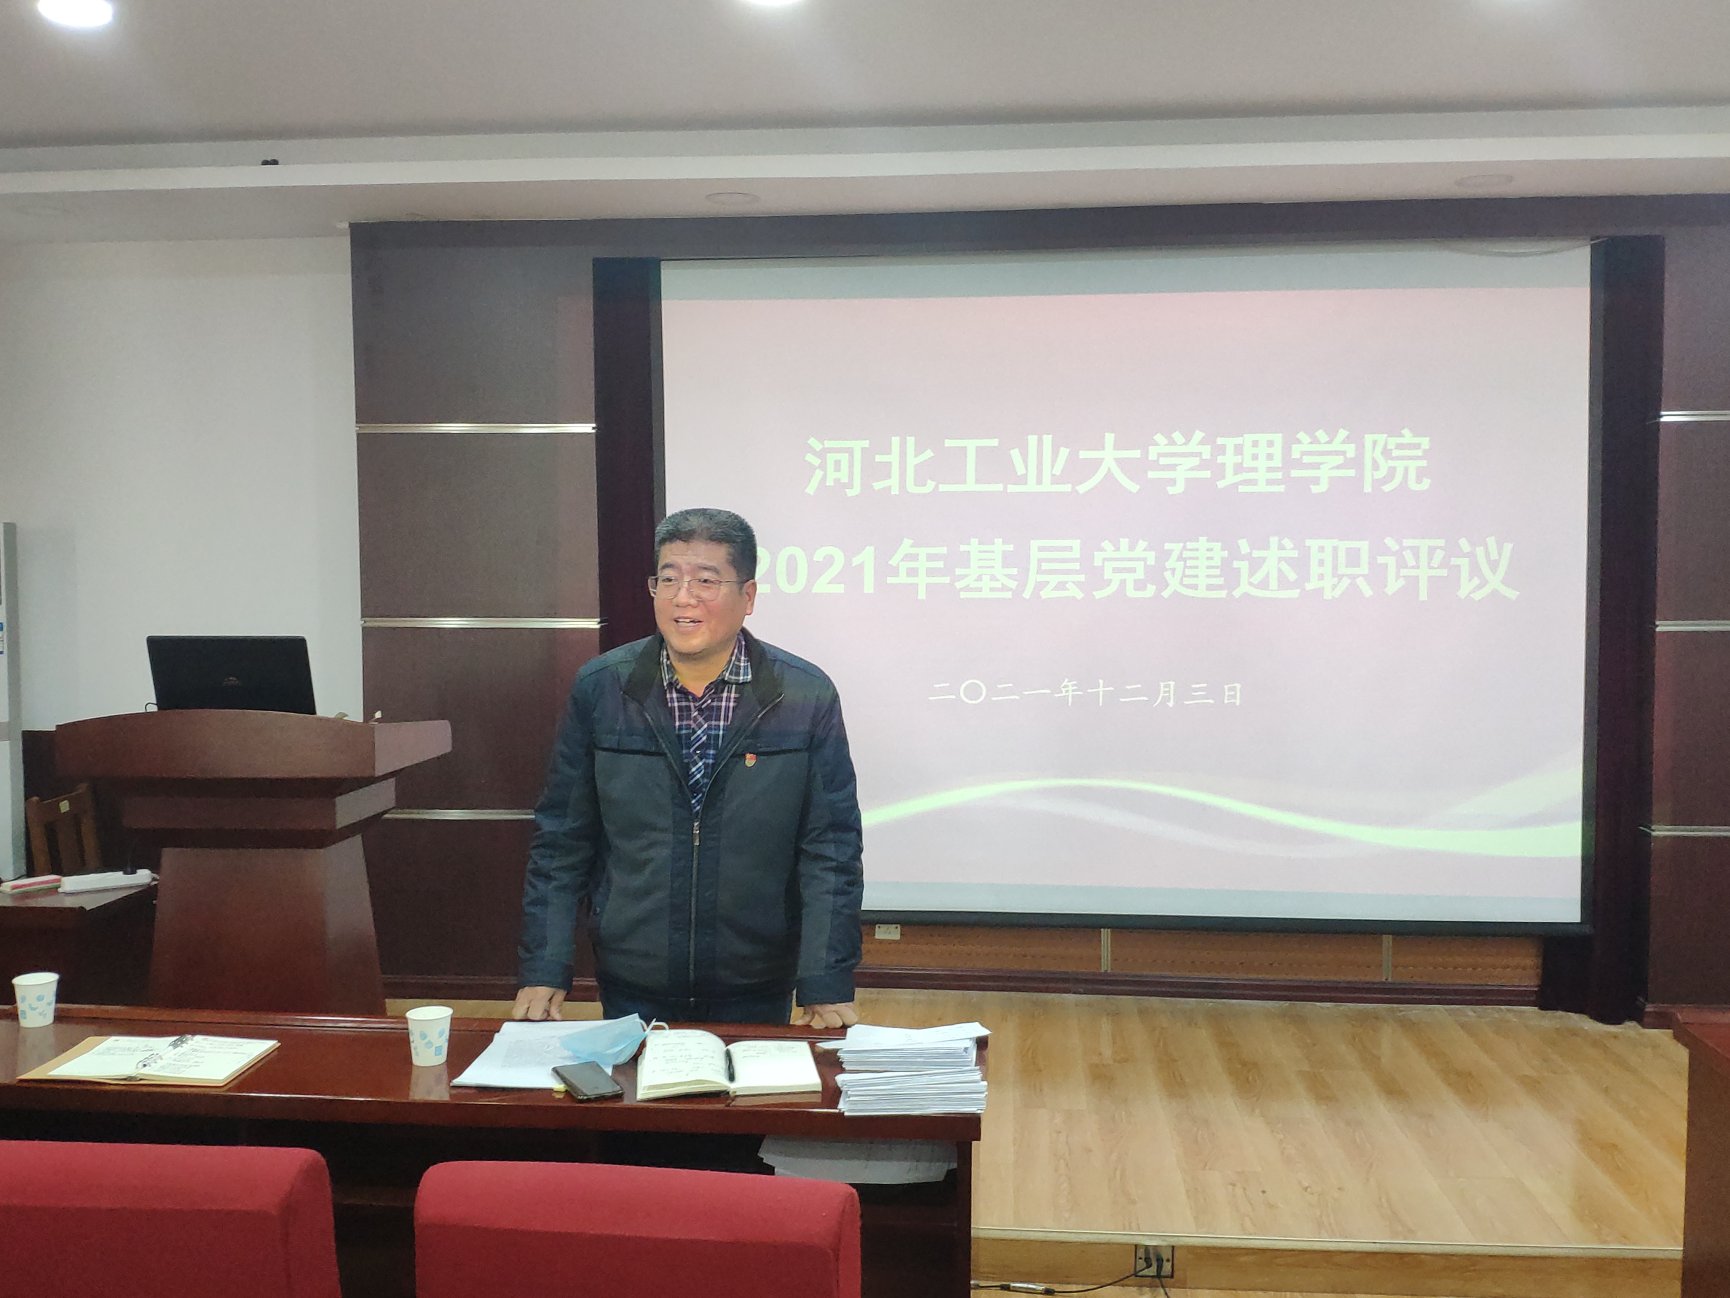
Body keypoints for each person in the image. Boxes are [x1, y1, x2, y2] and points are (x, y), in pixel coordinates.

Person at [513, 507, 863, 1029]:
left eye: (705, 580)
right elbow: (562, 842)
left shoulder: (803, 695)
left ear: (748, 596)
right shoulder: (602, 689)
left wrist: (826, 979)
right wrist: (545, 965)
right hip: (634, 974)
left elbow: (830, 851)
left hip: (756, 978)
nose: (683, 598)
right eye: (669, 579)